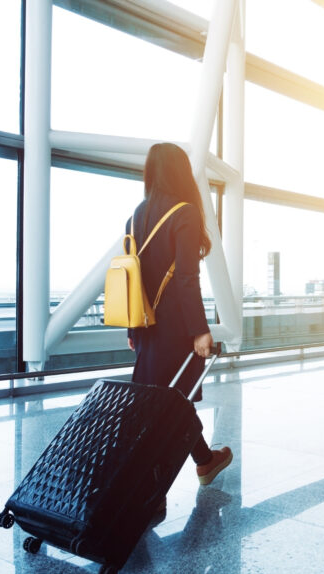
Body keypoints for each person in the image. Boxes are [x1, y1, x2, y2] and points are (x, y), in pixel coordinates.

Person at [126, 142, 234, 499]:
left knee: (167, 403)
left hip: (144, 328)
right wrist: (200, 331)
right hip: (174, 330)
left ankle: (203, 462)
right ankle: (153, 488)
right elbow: (187, 278)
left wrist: (133, 330)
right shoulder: (184, 213)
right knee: (172, 404)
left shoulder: (135, 216)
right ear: (179, 172)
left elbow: (132, 281)